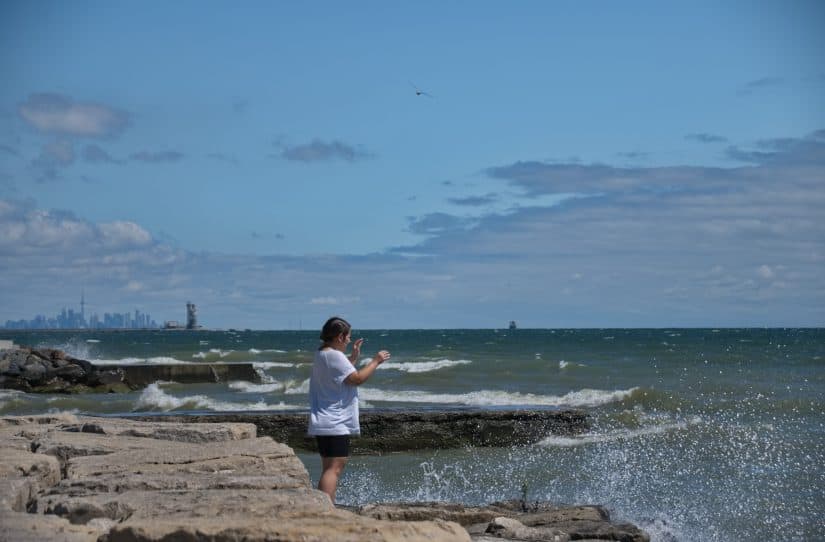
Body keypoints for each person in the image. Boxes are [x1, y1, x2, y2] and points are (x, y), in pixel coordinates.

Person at [308, 316, 391, 503]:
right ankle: (326, 509)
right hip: (335, 421)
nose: (348, 340)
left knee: (329, 468)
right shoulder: (335, 356)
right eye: (347, 337)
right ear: (339, 337)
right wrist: (376, 361)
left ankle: (325, 507)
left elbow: (339, 375)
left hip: (325, 420)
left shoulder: (322, 353)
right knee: (334, 469)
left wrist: (353, 358)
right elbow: (356, 379)